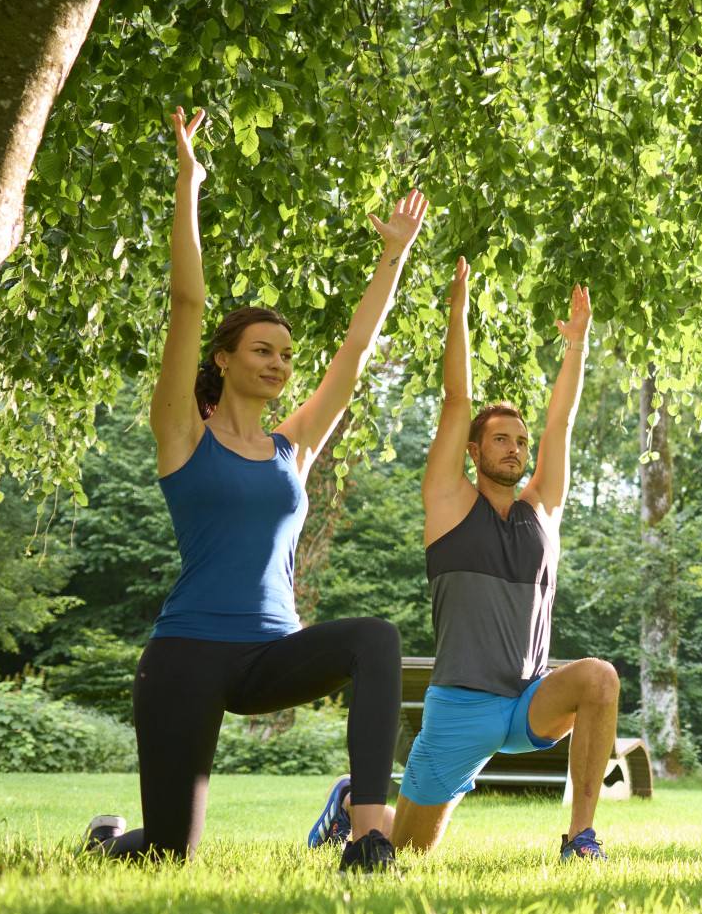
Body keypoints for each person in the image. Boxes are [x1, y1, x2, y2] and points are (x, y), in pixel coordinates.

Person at [85, 107, 417, 868]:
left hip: (271, 653)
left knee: (376, 638)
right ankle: (109, 842)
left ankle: (369, 835)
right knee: (170, 849)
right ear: (225, 359)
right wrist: (188, 185)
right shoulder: (181, 434)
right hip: (187, 656)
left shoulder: (289, 448)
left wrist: (391, 259)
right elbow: (187, 304)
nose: (279, 363)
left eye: (286, 355)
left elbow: (354, 358)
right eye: (263, 350)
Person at [310, 259, 622, 863]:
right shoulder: (450, 503)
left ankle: (580, 838)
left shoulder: (543, 511)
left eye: (521, 441)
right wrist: (458, 312)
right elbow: (457, 400)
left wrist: (577, 348)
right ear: (476, 451)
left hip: (530, 698)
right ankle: (354, 802)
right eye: (501, 439)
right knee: (408, 853)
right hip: (462, 706)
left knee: (599, 677)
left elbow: (562, 421)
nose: (516, 448)